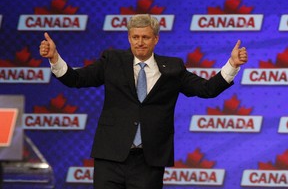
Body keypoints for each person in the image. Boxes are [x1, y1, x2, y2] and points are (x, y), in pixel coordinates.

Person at [39, 14, 248, 189]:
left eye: (146, 37)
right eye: (135, 37)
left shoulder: (173, 68)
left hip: (149, 160)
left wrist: (232, 64)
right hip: (111, 156)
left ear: (155, 39)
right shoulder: (112, 60)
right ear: (129, 38)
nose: (140, 42)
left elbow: (207, 89)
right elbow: (77, 79)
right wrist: (55, 58)